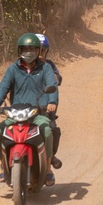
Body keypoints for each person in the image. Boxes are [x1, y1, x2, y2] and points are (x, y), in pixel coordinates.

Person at [0, 33, 59, 186]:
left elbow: (53, 87)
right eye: (25, 49)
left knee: (47, 131)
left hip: (37, 114)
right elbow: (3, 87)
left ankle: (48, 169)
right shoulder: (12, 69)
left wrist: (52, 102)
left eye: (33, 49)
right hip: (15, 114)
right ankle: (3, 166)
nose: (29, 52)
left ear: (38, 50)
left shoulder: (46, 68)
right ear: (19, 50)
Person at [36, 33, 63, 170]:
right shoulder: (21, 65)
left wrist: (46, 67)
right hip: (26, 108)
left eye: (43, 50)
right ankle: (4, 164)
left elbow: (57, 79)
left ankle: (49, 160)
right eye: (37, 50)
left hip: (45, 108)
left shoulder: (50, 65)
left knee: (52, 130)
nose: (40, 53)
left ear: (46, 51)